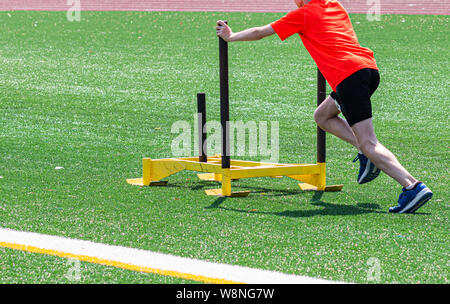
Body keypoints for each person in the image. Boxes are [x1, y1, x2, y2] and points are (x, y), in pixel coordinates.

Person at [215, 0, 432, 213]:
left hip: (348, 77)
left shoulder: (303, 15)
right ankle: (369, 157)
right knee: (323, 116)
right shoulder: (335, 5)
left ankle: (412, 186)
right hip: (368, 70)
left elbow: (259, 32)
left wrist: (231, 36)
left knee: (369, 142)